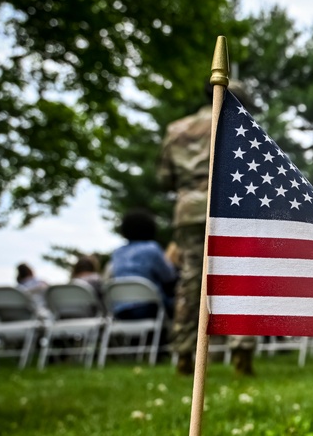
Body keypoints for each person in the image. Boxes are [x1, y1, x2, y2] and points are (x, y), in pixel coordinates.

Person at [159, 82, 258, 376]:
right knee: (238, 278)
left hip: (190, 209)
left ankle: (184, 353)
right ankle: (241, 349)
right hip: (231, 206)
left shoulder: (177, 129)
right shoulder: (243, 129)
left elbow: (165, 178)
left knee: (191, 281)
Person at [108, 209, 177, 319]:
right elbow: (169, 277)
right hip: (148, 308)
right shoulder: (152, 248)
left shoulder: (117, 253)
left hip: (120, 310)